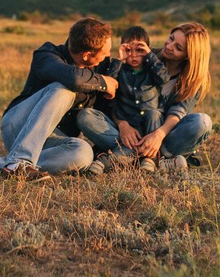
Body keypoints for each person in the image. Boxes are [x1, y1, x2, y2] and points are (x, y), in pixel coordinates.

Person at [0, 17, 121, 182]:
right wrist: (103, 82)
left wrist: (120, 66)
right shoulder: (47, 55)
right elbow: (74, 79)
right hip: (19, 126)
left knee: (83, 154)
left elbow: (111, 98)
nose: (107, 56)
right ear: (86, 55)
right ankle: (21, 160)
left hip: (52, 140)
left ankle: (1, 165)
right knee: (63, 89)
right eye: (105, 53)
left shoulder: (99, 67)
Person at [77, 22, 213, 173]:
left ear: (189, 55)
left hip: (163, 134)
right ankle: (155, 161)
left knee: (202, 122)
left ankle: (136, 155)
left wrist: (158, 135)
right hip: (129, 130)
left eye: (178, 48)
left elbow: (177, 113)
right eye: (171, 38)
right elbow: (115, 99)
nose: (169, 46)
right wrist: (123, 125)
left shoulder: (194, 79)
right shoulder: (144, 57)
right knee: (85, 116)